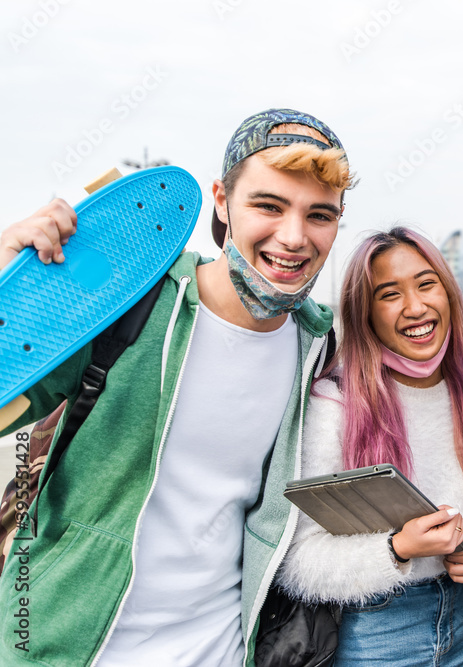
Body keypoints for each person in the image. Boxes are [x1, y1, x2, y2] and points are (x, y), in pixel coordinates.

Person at [0, 108, 354, 665]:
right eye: (268, 205)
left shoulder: (317, 344)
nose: (294, 237)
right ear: (221, 200)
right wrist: (9, 290)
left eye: (320, 215)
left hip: (218, 650)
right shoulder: (129, 298)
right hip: (64, 642)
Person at [276, 227, 463, 666]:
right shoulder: (335, 405)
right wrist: (397, 549)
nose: (416, 307)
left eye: (426, 283)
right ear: (366, 313)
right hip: (376, 632)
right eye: (389, 294)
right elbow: (298, 564)